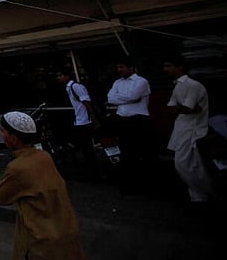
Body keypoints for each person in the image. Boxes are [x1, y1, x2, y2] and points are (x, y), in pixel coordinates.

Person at [0, 111, 84, 259]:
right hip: (64, 232)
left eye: (3, 131)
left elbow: (1, 197)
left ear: (14, 138)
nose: (1, 135)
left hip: (41, 240)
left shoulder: (17, 167)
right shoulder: (44, 156)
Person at [163, 56, 214, 202]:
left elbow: (187, 108)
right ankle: (198, 195)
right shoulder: (178, 86)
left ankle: (205, 193)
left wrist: (183, 109)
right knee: (185, 164)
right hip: (183, 129)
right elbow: (172, 107)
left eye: (168, 66)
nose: (165, 69)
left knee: (189, 164)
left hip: (194, 129)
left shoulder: (192, 85)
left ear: (179, 67)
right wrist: (184, 109)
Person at [106, 57, 155, 194]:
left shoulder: (141, 81)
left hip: (139, 120)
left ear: (130, 67)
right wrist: (126, 99)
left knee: (144, 152)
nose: (120, 70)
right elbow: (110, 98)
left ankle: (149, 184)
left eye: (122, 67)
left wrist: (121, 98)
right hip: (122, 119)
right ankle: (130, 185)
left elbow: (134, 96)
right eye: (118, 67)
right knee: (127, 152)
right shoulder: (117, 82)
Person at [56, 69, 99, 178]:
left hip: (85, 121)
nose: (59, 78)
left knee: (87, 148)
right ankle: (89, 170)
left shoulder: (75, 87)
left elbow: (86, 102)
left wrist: (93, 118)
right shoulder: (69, 88)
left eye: (61, 75)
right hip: (79, 120)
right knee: (84, 147)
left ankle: (93, 171)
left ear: (67, 76)